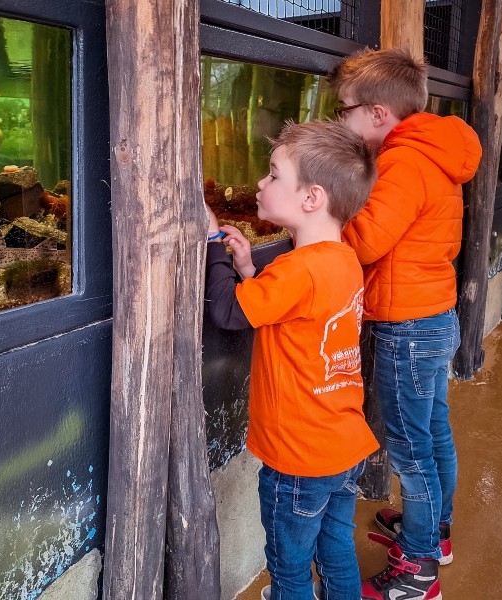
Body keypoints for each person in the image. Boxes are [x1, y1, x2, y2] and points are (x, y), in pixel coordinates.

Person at [327, 48, 482, 600]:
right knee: (433, 433)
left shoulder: (402, 161)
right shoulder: (435, 155)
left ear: (376, 113)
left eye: (344, 110)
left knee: (411, 451)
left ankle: (418, 569)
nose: (341, 120)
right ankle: (433, 534)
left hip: (408, 328)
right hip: (434, 316)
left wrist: (320, 224)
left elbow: (368, 240)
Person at [204, 120, 379, 600]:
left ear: (311, 198)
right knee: (336, 547)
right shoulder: (342, 260)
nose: (260, 183)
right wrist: (247, 268)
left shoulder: (297, 270)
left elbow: (228, 311)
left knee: (289, 570)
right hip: (342, 447)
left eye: (274, 174)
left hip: (298, 458)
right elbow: (293, 305)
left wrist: (211, 246)